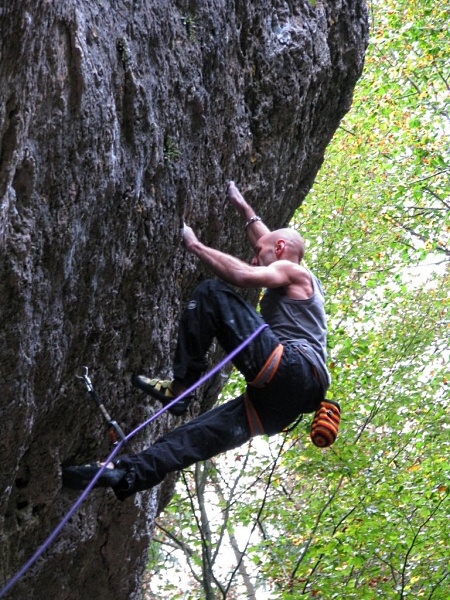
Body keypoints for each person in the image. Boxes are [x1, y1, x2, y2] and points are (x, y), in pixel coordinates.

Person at [63, 182, 333, 500]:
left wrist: (196, 246)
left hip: (293, 366)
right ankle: (128, 472)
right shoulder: (292, 272)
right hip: (287, 403)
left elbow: (244, 276)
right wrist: (242, 206)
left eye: (260, 252)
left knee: (211, 293)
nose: (254, 255)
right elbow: (265, 239)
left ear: (279, 249)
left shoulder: (290, 269)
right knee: (198, 436)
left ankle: (181, 388)